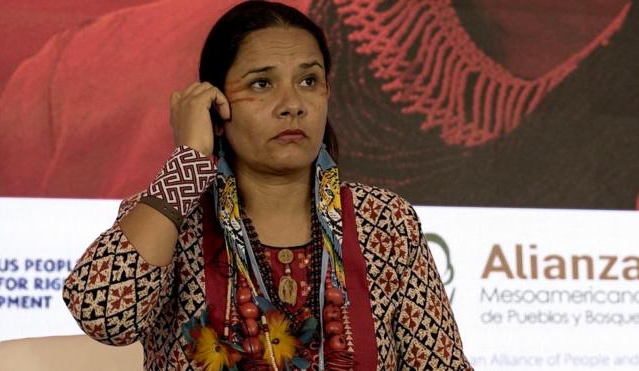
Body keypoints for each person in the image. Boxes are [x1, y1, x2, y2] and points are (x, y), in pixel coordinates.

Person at [62, 2, 472, 370]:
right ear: (215, 104)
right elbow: (104, 318)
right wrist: (187, 162)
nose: (293, 103)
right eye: (262, 83)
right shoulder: (174, 216)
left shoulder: (383, 222)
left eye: (309, 81)